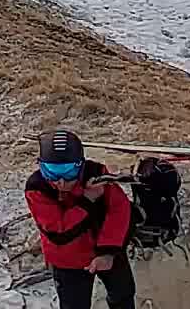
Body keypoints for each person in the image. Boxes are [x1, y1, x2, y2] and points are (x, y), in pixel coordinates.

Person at [25, 130, 136, 309]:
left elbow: (120, 210)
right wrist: (87, 200)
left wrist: (107, 252)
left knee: (123, 295)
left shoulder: (97, 174)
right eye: (51, 172)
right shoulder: (36, 188)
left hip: (108, 249)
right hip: (68, 261)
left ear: (80, 165)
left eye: (68, 172)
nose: (60, 181)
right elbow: (59, 232)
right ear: (40, 166)